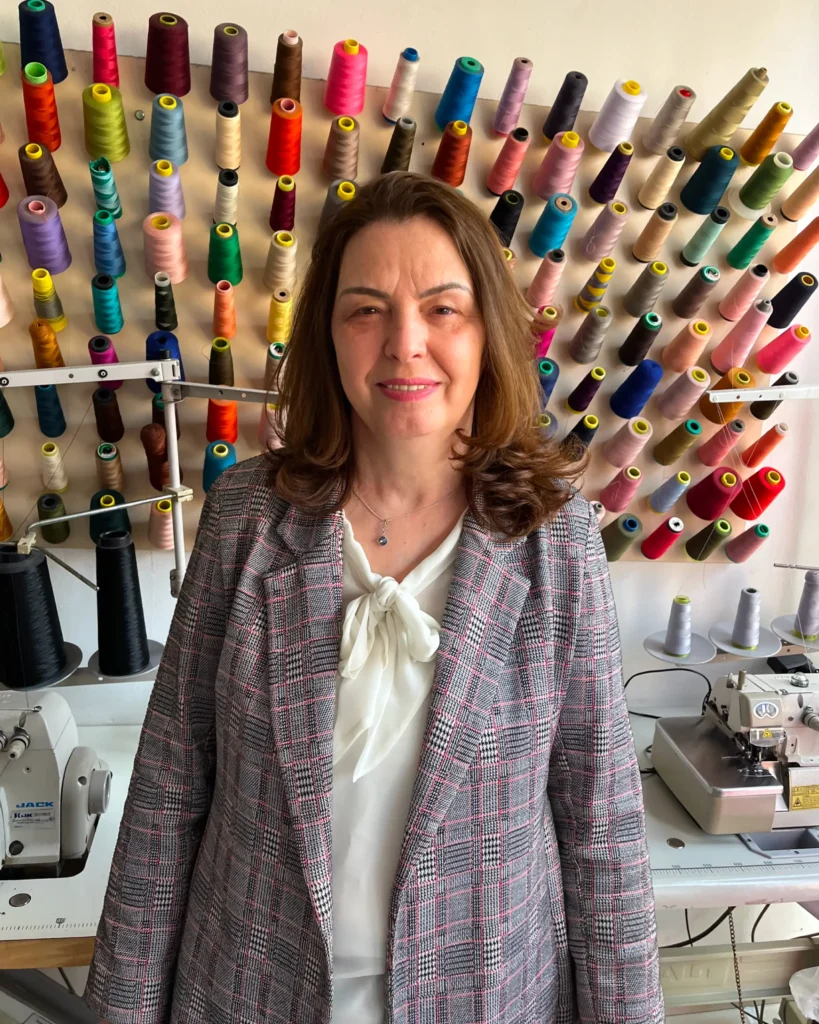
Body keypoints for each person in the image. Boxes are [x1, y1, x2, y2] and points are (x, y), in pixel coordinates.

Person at [86, 172, 663, 1024]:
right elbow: (171, 790)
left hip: (483, 997)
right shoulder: (248, 517)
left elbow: (600, 828)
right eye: (366, 309)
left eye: (442, 308)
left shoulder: (555, 539)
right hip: (250, 993)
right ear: (325, 334)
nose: (404, 344)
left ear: (486, 333)